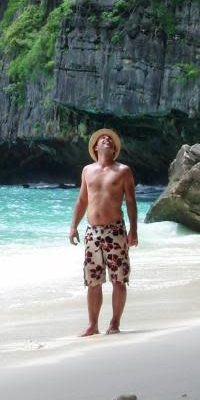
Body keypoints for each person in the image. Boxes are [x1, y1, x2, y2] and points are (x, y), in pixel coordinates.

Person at [69, 128, 138, 336]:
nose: (106, 139)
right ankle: (92, 325)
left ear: (114, 149)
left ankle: (114, 323)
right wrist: (73, 226)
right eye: (102, 138)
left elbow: (131, 202)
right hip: (92, 232)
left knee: (119, 279)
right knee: (93, 281)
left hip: (115, 230)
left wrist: (133, 230)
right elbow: (82, 200)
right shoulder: (87, 171)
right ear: (96, 147)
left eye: (109, 139)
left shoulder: (123, 171)